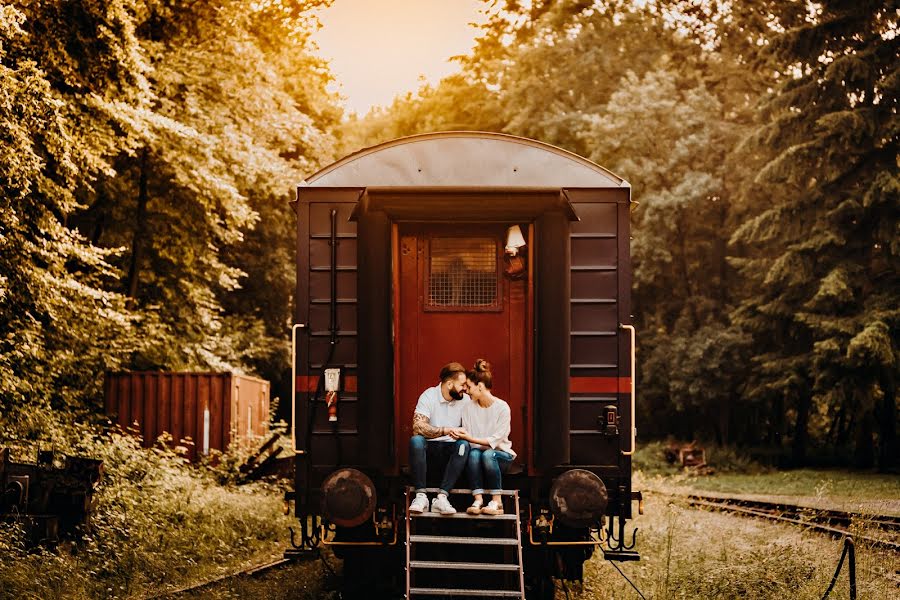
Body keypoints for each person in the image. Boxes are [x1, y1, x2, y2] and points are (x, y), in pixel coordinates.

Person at [408, 362, 472, 515]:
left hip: (452, 452)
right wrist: (445, 430)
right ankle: (421, 496)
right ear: (449, 384)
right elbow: (418, 427)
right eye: (462, 384)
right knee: (416, 440)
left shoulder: (466, 400)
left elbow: (471, 430)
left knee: (464, 445)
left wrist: (463, 432)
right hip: (430, 450)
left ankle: (442, 497)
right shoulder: (429, 395)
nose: (465, 388)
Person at [455, 359, 516, 516]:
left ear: (480, 387)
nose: (466, 391)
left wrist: (470, 438)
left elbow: (494, 442)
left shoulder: (502, 408)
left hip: (502, 455)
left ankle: (497, 501)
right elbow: (469, 437)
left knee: (489, 454)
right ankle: (478, 499)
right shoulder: (468, 408)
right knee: (474, 454)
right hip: (479, 453)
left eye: (469, 387)